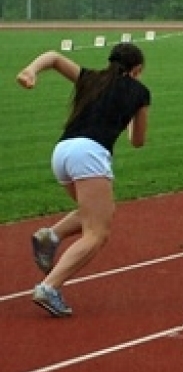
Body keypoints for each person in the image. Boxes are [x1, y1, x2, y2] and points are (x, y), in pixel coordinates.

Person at [18, 43, 151, 317]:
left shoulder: (90, 78)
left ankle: (50, 236)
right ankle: (49, 287)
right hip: (89, 154)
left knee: (100, 212)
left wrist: (31, 71)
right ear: (137, 69)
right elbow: (138, 141)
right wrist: (128, 118)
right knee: (97, 233)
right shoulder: (139, 92)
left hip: (62, 152)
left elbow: (54, 57)